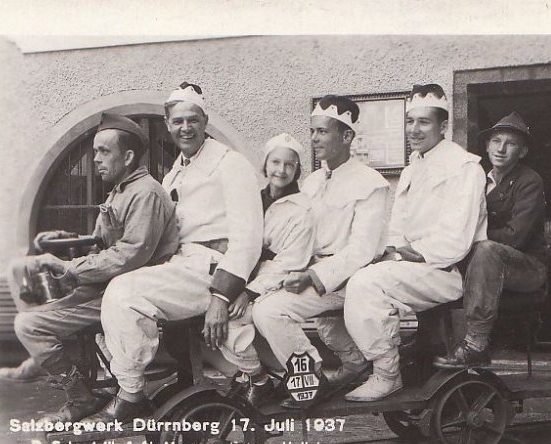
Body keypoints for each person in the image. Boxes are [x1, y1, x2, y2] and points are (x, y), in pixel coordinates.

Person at [82, 83, 263, 424]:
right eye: (177, 121)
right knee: (119, 288)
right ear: (167, 124)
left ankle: (131, 391)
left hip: (213, 270)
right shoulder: (174, 173)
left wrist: (222, 297)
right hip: (181, 265)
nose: (185, 128)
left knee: (125, 294)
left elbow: (248, 238)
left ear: (205, 121)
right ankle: (132, 378)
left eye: (192, 120)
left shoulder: (230, 164)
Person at [1, 113, 179, 424]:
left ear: (128, 156)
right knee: (21, 271)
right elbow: (103, 242)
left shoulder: (146, 193)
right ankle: (42, 354)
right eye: (95, 151)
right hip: (106, 285)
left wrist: (71, 269)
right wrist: (63, 239)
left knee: (28, 325)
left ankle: (80, 396)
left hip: (127, 294)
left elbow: (129, 255)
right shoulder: (122, 189)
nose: (95, 159)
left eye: (103, 152)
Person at [343, 84, 488, 402]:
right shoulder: (411, 170)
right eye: (410, 122)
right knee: (357, 278)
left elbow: (455, 240)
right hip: (415, 266)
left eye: (423, 122)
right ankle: (366, 362)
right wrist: (395, 251)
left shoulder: (465, 169)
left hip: (447, 271)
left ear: (443, 126)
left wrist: (405, 256)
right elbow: (398, 227)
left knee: (366, 284)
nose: (414, 129)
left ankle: (386, 374)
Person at [251, 95, 390, 407]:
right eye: (312, 131)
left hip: (348, 279)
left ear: (347, 136)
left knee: (269, 311)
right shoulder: (313, 181)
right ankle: (352, 365)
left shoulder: (371, 184)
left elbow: (362, 249)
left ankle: (309, 379)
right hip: (307, 271)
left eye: (323, 132)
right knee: (249, 305)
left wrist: (313, 275)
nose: (313, 138)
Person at [434, 112, 547, 368]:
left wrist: (469, 239)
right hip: (484, 264)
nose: (502, 149)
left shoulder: (529, 181)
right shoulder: (477, 179)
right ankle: (430, 342)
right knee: (435, 260)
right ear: (487, 145)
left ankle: (476, 344)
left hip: (526, 268)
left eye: (511, 144)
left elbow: (516, 237)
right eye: (496, 141)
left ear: (523, 151)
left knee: (485, 249)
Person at [223, 133, 315, 407]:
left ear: (297, 169)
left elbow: (289, 263)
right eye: (276, 162)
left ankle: (266, 378)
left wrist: (249, 293)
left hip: (275, 282)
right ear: (265, 165)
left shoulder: (301, 209)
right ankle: (252, 375)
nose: (281, 170)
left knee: (231, 320)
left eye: (290, 165)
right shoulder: (253, 200)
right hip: (241, 274)